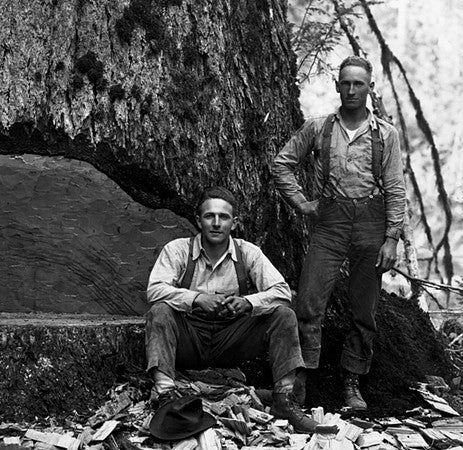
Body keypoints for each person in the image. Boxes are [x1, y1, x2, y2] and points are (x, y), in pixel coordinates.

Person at [272, 55, 405, 411]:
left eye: (358, 84)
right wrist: (303, 204)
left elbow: (395, 187)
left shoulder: (386, 135)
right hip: (329, 222)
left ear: (369, 88)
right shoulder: (319, 128)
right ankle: (301, 379)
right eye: (345, 83)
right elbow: (282, 164)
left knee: (364, 309)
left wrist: (392, 238)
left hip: (371, 224)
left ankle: (352, 381)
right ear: (337, 86)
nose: (350, 90)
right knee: (308, 302)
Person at [145, 186, 318, 433]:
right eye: (209, 216)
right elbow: (154, 290)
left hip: (232, 341)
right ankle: (166, 398)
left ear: (234, 222)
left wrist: (248, 303)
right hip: (189, 338)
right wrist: (196, 299)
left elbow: (282, 291)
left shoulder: (248, 252)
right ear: (198, 220)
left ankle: (284, 399)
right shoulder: (178, 250)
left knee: (283, 315)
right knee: (159, 312)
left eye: (223, 217)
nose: (216, 223)